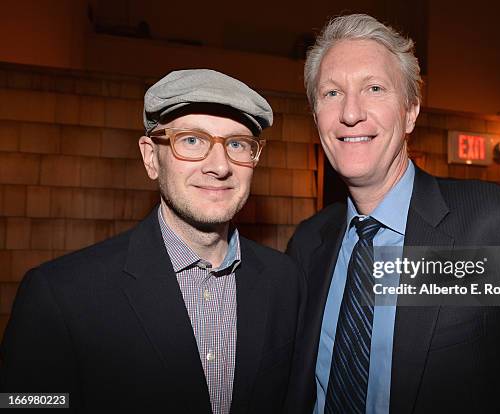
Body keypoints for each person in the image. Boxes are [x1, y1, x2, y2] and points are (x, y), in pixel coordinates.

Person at [287, 14, 500, 414]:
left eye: (374, 88)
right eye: (331, 93)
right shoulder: (307, 243)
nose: (351, 112)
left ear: (410, 112)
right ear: (315, 114)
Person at [1, 69, 304, 413]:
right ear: (150, 158)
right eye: (192, 140)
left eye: (237, 144)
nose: (219, 166)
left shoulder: (285, 280)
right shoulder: (61, 295)